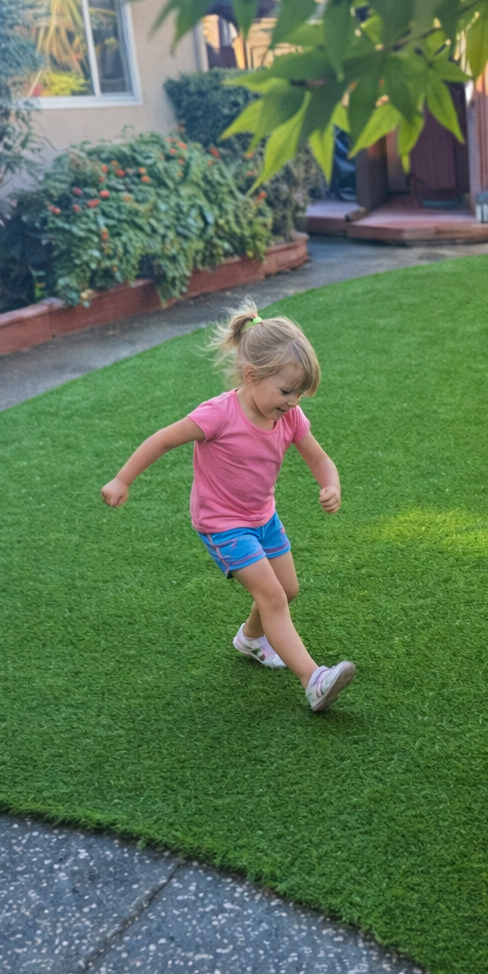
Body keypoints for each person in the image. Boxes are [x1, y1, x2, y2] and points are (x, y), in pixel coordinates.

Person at [100, 302, 357, 713]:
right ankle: (313, 679)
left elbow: (319, 458)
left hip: (263, 517)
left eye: (299, 393)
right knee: (272, 596)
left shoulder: (290, 418)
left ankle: (251, 640)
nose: (293, 402)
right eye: (286, 391)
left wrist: (331, 484)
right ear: (252, 376)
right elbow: (163, 439)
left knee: (287, 590)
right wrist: (122, 478)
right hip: (223, 524)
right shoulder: (218, 415)